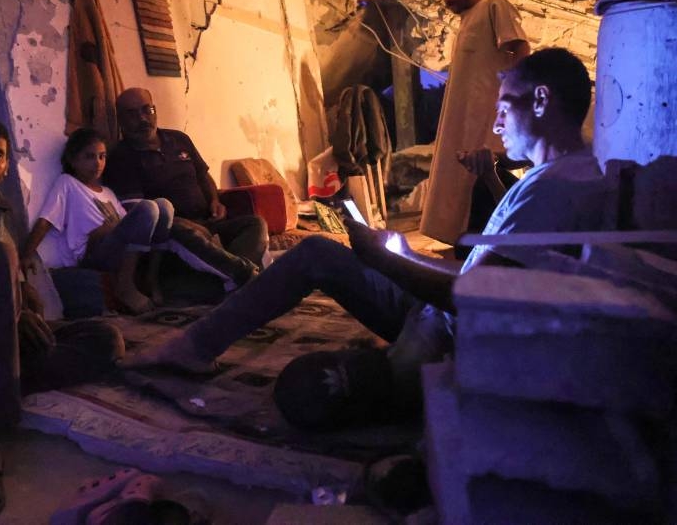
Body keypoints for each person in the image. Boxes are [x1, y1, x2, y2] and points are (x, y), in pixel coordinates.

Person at [123, 48, 605, 428]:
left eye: (504, 109)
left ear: (541, 101)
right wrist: (402, 253)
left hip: (451, 342)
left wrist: (388, 260)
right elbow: (482, 275)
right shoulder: (560, 177)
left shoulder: (554, 189)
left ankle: (201, 348)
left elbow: (480, 298)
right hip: (439, 318)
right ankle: (194, 347)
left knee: (308, 388)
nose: (496, 125)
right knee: (319, 247)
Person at [0, 120, 124, 520]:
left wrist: (24, 309)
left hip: (1, 334)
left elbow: (17, 281)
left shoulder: (2, 212)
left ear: (6, 166)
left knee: (107, 339)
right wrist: (8, 308)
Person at [420, 0, 531, 246]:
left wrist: (511, 97)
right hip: (463, 116)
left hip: (485, 115)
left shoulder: (494, 5)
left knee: (479, 183)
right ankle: (461, 245)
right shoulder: (467, 20)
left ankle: (484, 251)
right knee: (457, 179)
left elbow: (519, 47)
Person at [103, 87, 268, 269]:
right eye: (132, 114)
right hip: (172, 232)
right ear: (121, 120)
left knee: (255, 223)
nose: (142, 119)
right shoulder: (121, 157)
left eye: (147, 110)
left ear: (155, 110)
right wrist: (192, 226)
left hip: (209, 221)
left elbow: (203, 175)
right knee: (184, 234)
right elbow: (141, 213)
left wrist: (215, 201)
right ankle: (242, 273)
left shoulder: (179, 139)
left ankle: (234, 271)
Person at [21, 127, 174, 313]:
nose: (98, 163)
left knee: (164, 206)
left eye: (102, 156)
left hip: (119, 248)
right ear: (73, 159)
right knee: (148, 208)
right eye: (89, 157)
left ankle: (151, 278)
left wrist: (113, 228)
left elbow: (125, 225)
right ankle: (125, 286)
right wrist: (27, 253)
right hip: (94, 251)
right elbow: (46, 220)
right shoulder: (67, 183)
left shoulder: (108, 193)